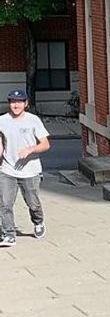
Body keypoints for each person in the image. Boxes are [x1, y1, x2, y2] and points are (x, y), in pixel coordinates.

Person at [0, 89, 50, 248]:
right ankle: (9, 234)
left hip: (30, 170)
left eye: (19, 102)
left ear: (26, 104)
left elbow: (45, 144)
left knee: (33, 203)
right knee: (5, 204)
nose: (16, 105)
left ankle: (38, 221)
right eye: (13, 102)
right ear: (9, 104)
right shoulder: (2, 120)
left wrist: (30, 149)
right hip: (7, 169)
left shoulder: (33, 120)